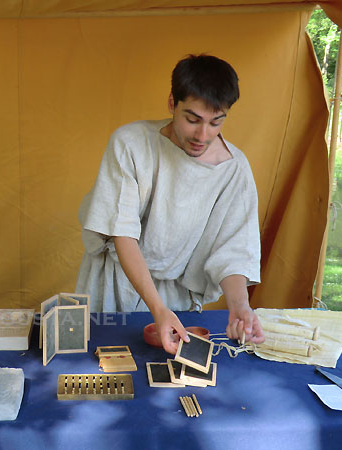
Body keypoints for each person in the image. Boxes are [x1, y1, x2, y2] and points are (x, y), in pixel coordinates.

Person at [76, 54, 265, 353]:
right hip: (117, 282)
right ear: (171, 104)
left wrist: (240, 306)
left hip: (175, 295)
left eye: (216, 122)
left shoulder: (234, 168)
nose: (203, 135)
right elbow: (122, 232)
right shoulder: (130, 144)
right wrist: (157, 309)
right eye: (192, 120)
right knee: (103, 360)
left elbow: (234, 250)